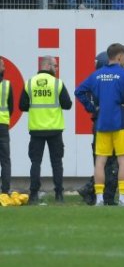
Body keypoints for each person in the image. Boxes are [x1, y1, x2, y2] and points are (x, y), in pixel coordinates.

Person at [75, 42, 124, 206]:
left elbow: (78, 91)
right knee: (123, 161)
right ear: (120, 56)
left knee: (100, 161)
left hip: (101, 122)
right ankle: (122, 198)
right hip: (121, 121)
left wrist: (91, 107)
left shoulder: (96, 75)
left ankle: (99, 199)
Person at [20, 55, 72, 204]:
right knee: (56, 163)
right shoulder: (57, 84)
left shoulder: (29, 83)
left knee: (35, 163)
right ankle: (59, 195)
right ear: (48, 65)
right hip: (55, 129)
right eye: (55, 66)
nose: (56, 69)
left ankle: (34, 195)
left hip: (36, 130)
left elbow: (22, 106)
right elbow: (67, 104)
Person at [0, 61, 10, 198]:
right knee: (5, 160)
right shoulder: (6, 85)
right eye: (2, 65)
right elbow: (11, 107)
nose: (4, 67)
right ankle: (5, 191)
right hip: (2, 125)